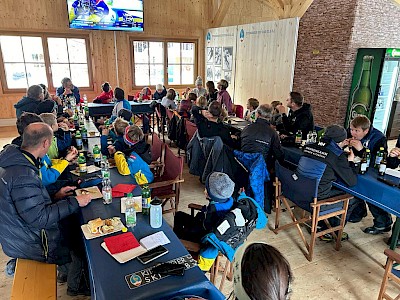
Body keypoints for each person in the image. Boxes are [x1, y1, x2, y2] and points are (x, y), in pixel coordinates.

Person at [0, 123, 91, 288]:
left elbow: (27, 203)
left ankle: (66, 273)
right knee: (77, 237)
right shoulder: (23, 175)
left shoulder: (16, 161)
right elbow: (40, 218)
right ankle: (77, 285)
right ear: (45, 144)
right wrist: (75, 201)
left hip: (17, 234)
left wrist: (55, 196)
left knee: (70, 224)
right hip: (28, 243)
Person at [297, 125, 358, 240]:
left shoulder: (309, 146)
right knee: (353, 198)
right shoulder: (337, 156)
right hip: (315, 199)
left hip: (299, 192)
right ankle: (329, 231)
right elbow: (351, 181)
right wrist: (350, 162)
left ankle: (320, 222)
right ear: (342, 140)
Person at [346, 116, 392, 235]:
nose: (353, 133)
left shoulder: (378, 138)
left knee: (370, 192)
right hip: (357, 167)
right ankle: (358, 212)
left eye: (356, 131)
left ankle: (383, 222)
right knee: (350, 184)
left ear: (366, 131)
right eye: (351, 129)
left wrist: (362, 150)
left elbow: (379, 161)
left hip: (373, 172)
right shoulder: (350, 132)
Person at [241, 104, 285, 169]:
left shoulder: (247, 128)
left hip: (243, 165)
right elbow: (279, 155)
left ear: (258, 114)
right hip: (261, 168)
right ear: (270, 116)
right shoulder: (272, 133)